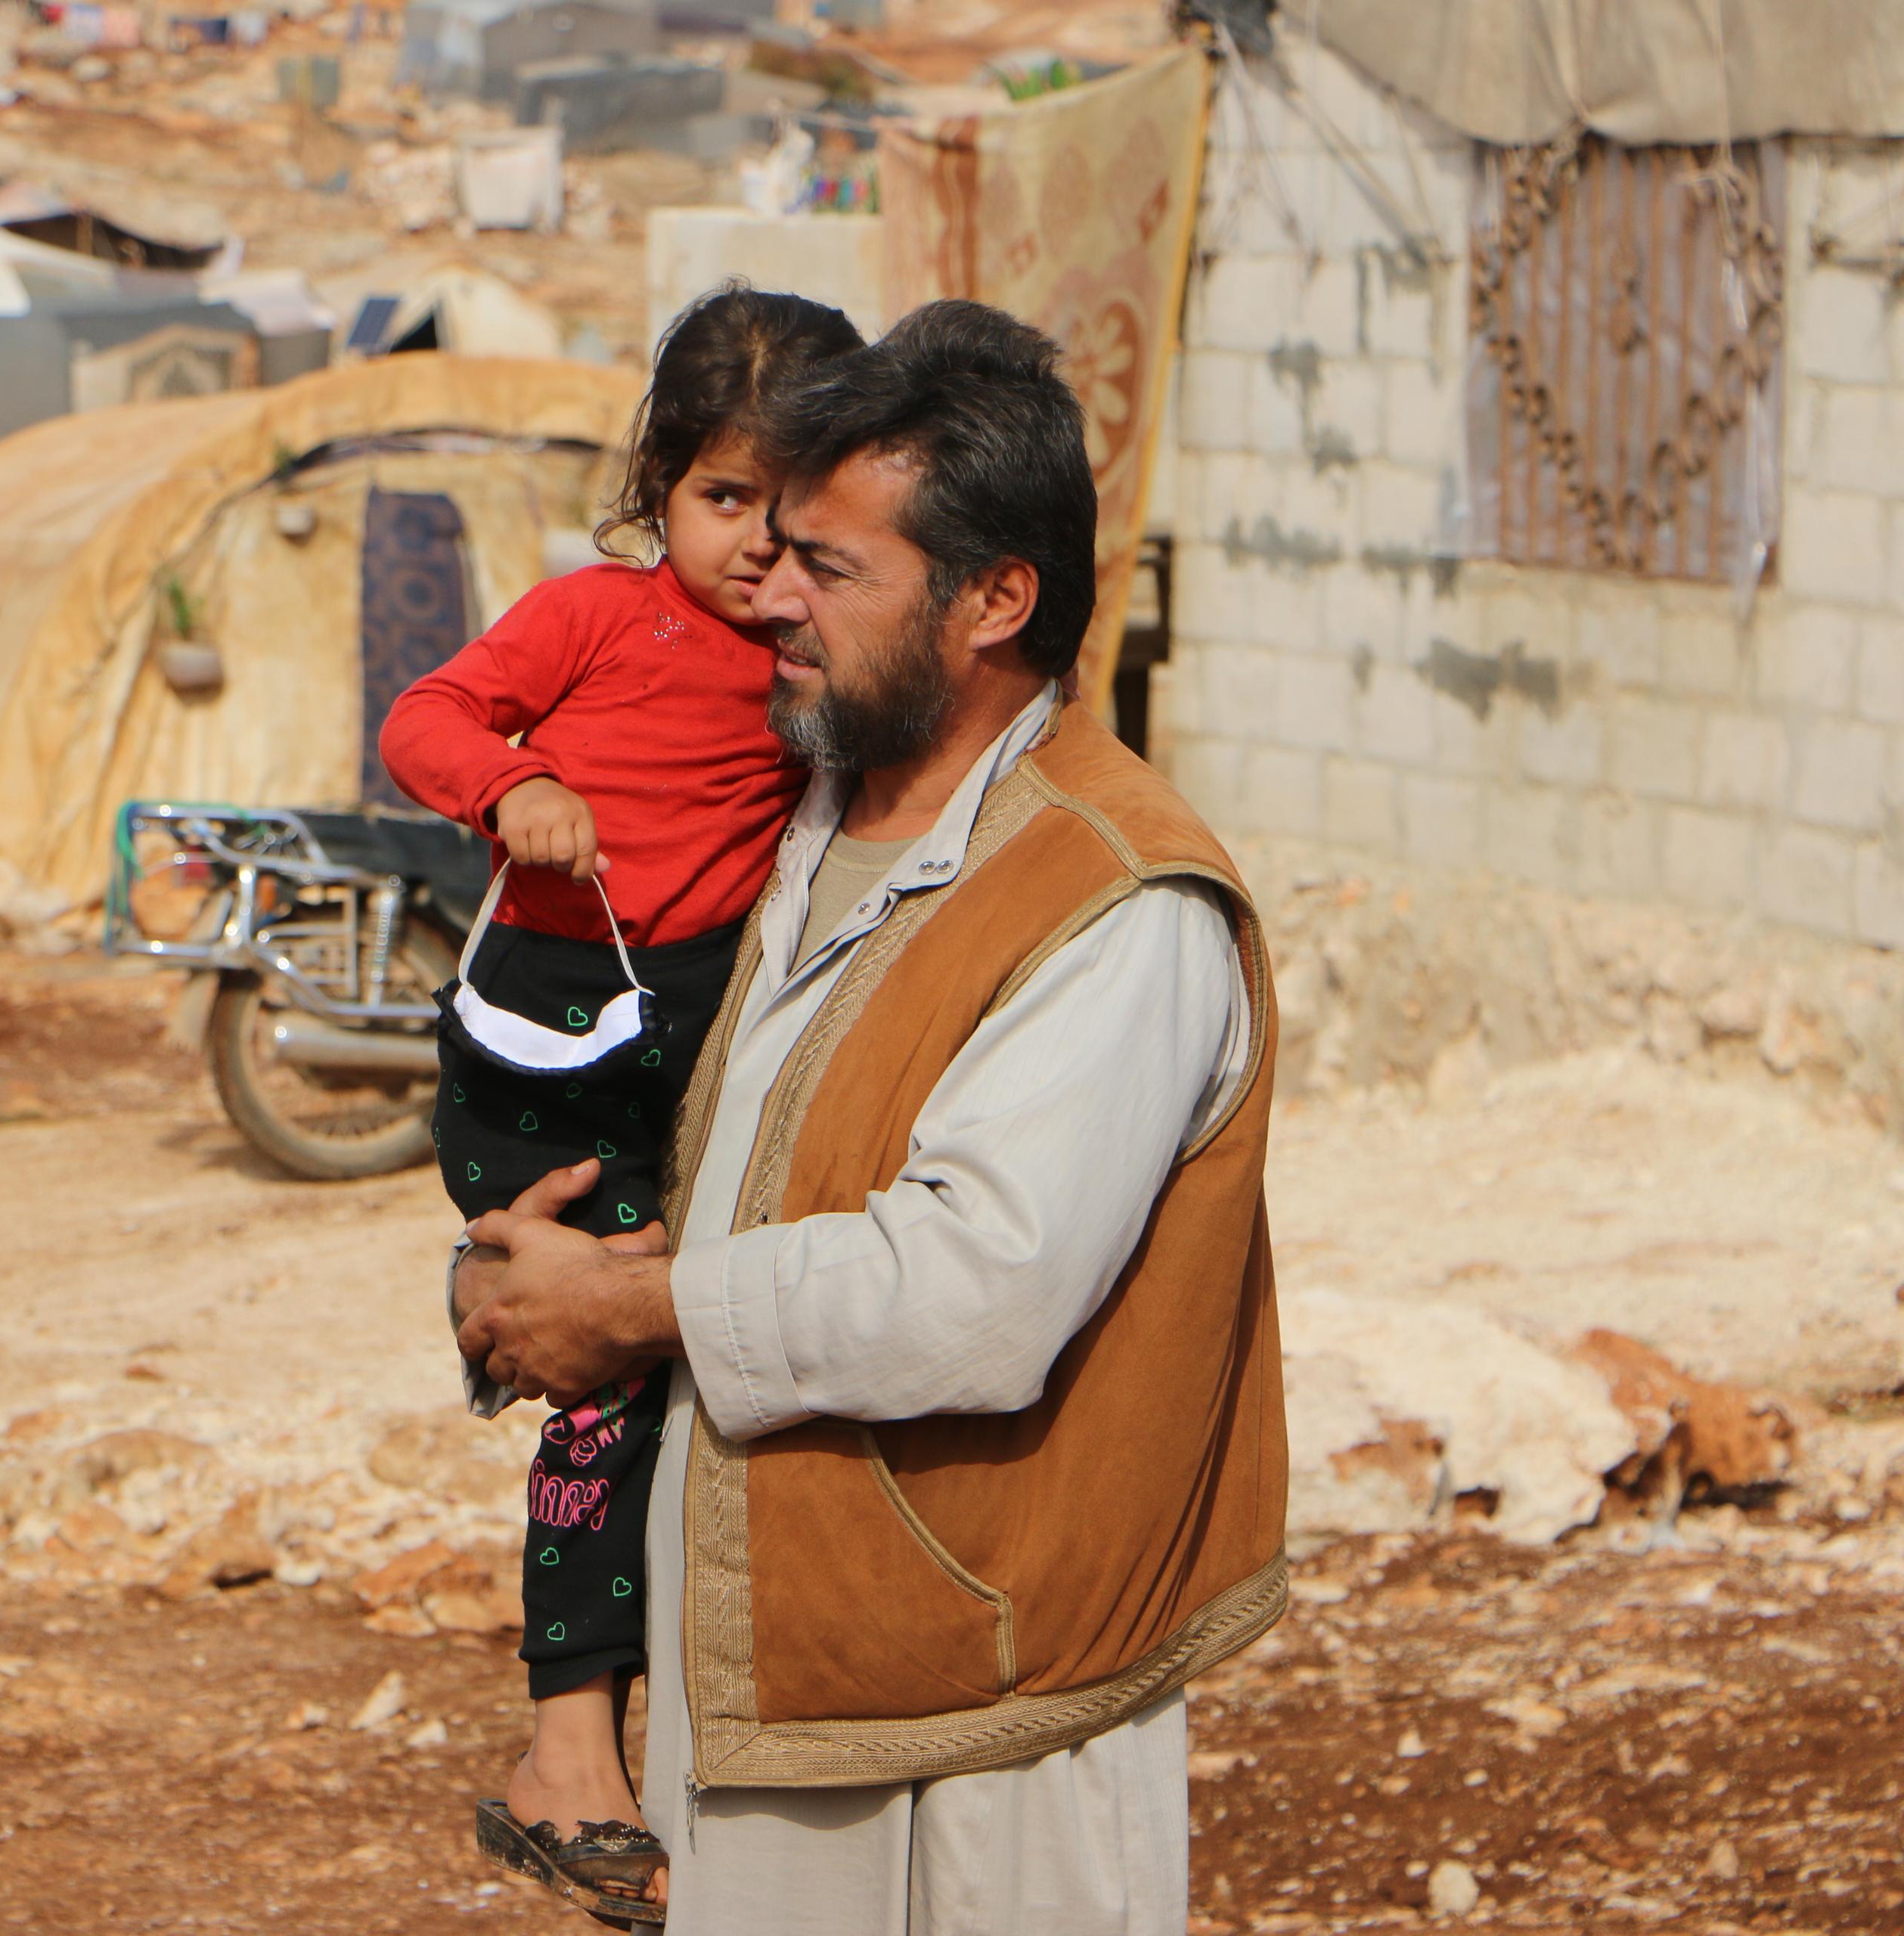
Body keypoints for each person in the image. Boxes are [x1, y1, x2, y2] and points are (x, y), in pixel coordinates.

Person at [451, 299, 1290, 1936]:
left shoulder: (1116, 901)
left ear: (996, 598)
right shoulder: (801, 813)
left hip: (997, 1726)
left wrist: (628, 1305)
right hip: (784, 1672)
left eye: (834, 569)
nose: (777, 602)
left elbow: (973, 1292)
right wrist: (515, 1247)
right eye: (776, 549)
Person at [379, 286, 867, 1925]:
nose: (757, 548)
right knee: (604, 1371)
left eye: (797, 517)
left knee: (681, 1370)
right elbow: (426, 713)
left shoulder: (816, 665)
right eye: (726, 501)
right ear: (662, 483)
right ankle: (567, 1747)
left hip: (693, 1044)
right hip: (547, 1041)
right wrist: (515, 784)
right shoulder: (594, 617)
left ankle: (651, 1736)